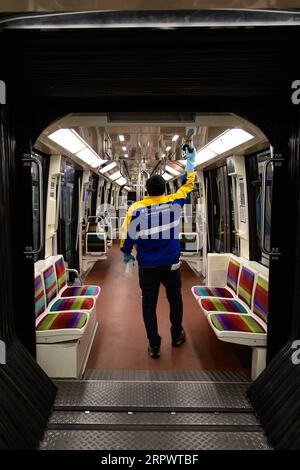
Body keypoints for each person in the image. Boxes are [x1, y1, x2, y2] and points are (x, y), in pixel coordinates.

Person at [120, 147, 196, 358]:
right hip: (171, 264)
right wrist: (190, 162)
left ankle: (154, 345)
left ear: (146, 190)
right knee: (175, 299)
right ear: (164, 189)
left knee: (149, 304)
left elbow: (128, 237)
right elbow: (188, 185)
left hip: (147, 266)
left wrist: (127, 253)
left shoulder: (136, 209)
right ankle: (176, 334)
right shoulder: (174, 203)